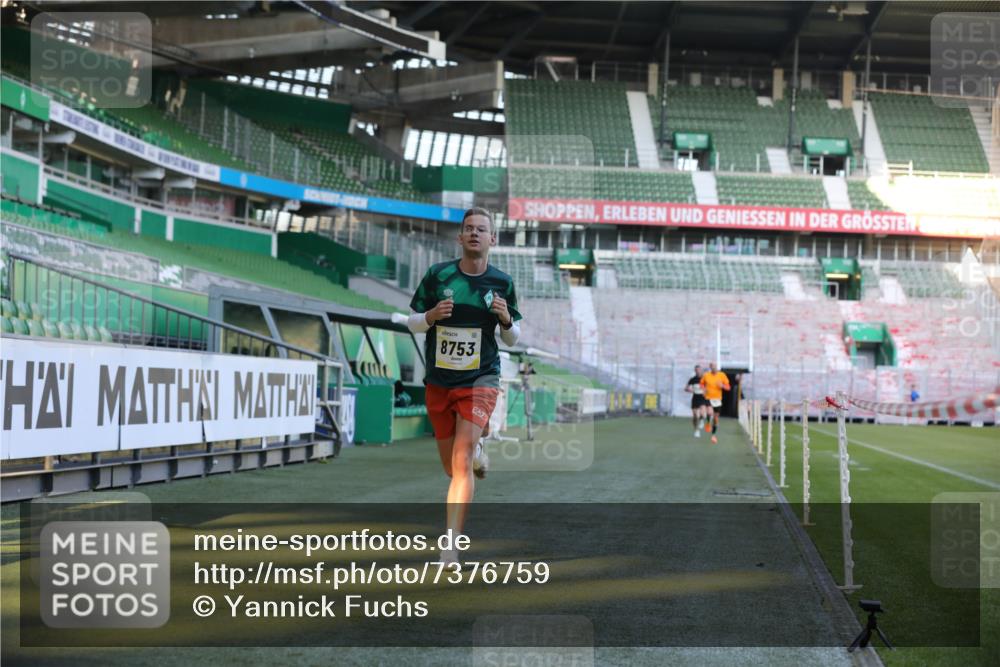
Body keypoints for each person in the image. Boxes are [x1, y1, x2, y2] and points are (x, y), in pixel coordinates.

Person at [406, 207, 522, 565]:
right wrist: (429, 317)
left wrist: (504, 320)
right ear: (459, 237)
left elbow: (513, 339)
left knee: (460, 460)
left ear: (492, 239)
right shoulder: (437, 275)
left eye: (481, 229)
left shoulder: (502, 283)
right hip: (440, 382)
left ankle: (450, 546)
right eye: (468, 228)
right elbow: (412, 323)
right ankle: (479, 445)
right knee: (452, 467)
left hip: (481, 378)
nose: (474, 233)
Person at [700, 362, 731, 444]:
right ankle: (708, 422)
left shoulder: (722, 375)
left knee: (716, 418)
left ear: (717, 367)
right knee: (710, 412)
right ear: (710, 368)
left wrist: (722, 386)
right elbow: (701, 384)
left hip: (717, 399)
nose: (714, 368)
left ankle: (713, 436)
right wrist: (703, 389)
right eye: (712, 367)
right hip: (708, 398)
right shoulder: (706, 375)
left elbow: (728, 387)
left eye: (715, 366)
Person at [684, 364, 708, 438]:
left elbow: (709, 388)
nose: (698, 371)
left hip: (702, 397)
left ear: (701, 370)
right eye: (696, 370)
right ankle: (696, 430)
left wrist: (705, 391)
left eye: (699, 370)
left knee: (703, 413)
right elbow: (686, 388)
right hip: (695, 398)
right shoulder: (693, 379)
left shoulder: (705, 379)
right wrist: (689, 389)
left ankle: (701, 420)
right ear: (695, 371)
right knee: (695, 416)